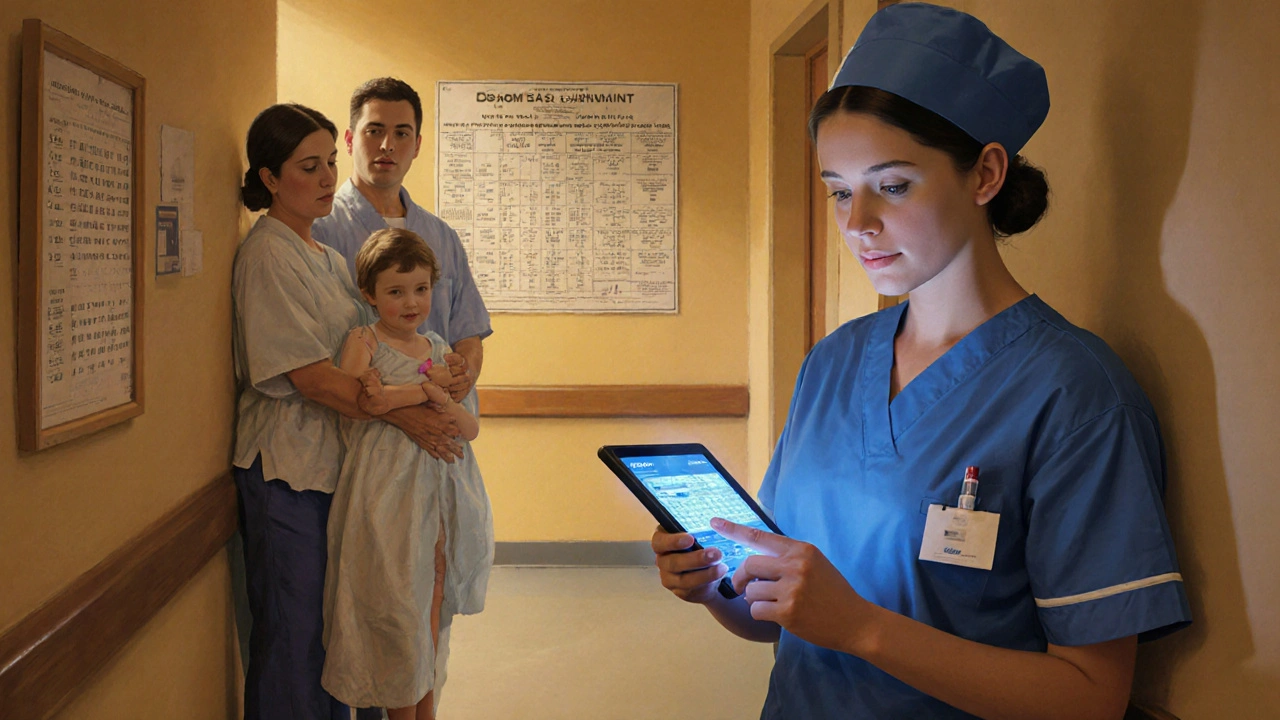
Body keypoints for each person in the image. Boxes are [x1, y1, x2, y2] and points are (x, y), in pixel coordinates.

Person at [651, 5, 1192, 719]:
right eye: (839, 190)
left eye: (893, 185)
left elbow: (1089, 697)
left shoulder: (1075, 394)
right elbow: (778, 614)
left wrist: (864, 629)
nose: (857, 222)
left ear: (986, 174)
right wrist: (711, 587)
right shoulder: (833, 363)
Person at [231, 104, 462, 720]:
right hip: (289, 473)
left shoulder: (331, 261)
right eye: (310, 167)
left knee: (339, 637)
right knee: (295, 639)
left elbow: (373, 359)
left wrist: (433, 378)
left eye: (331, 162)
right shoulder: (267, 257)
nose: (330, 177)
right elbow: (313, 380)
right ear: (272, 179)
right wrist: (408, 412)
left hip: (341, 473)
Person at [321, 228, 493, 720]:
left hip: (436, 487)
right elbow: (362, 401)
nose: (411, 302)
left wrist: (435, 392)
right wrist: (424, 391)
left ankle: (425, 709)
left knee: (431, 598)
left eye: (421, 289)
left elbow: (467, 425)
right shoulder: (364, 341)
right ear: (369, 295)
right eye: (395, 292)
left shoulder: (438, 346)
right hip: (384, 488)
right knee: (395, 599)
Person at [313, 77, 491, 449]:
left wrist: (464, 375)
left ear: (418, 145)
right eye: (374, 130)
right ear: (348, 140)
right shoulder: (320, 231)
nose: (387, 145)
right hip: (368, 438)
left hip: (445, 435)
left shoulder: (442, 236)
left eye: (402, 133)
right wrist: (398, 409)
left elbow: (468, 333)